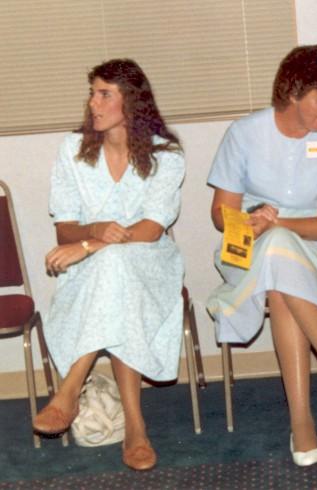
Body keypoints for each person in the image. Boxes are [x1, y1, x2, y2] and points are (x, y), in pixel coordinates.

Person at [206, 44, 317, 466]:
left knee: (279, 268)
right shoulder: (244, 133)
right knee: (275, 254)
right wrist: (252, 221)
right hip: (248, 245)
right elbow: (221, 215)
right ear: (292, 93)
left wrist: (278, 226)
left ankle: (301, 421)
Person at [35, 59, 185, 471]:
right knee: (115, 271)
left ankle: (69, 390)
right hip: (91, 272)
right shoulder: (73, 150)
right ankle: (136, 427)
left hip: (151, 263)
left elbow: (152, 229)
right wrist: (94, 232)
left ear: (132, 101)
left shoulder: (165, 155)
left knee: (117, 264)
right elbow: (64, 230)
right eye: (92, 93)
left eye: (104, 94)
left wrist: (92, 244)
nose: (93, 103)